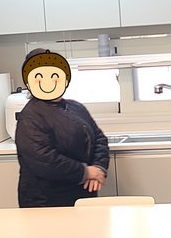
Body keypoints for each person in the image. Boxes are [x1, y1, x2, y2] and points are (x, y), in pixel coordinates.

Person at [14, 48, 110, 207]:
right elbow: (44, 160)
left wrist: (98, 168)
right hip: (45, 200)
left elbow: (99, 138)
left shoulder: (76, 107)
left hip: (83, 194)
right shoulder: (30, 116)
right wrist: (86, 172)